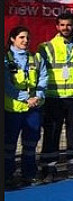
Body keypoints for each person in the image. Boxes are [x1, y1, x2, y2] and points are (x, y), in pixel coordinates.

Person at [38, 12, 73, 181]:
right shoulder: (46, 47)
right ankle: (48, 170)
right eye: (62, 25)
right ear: (57, 26)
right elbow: (41, 72)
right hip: (54, 96)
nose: (65, 28)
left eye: (68, 25)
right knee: (52, 133)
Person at [4, 26, 47, 189]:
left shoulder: (36, 57)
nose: (25, 41)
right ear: (12, 39)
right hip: (12, 110)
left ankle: (29, 174)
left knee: (31, 144)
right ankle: (7, 176)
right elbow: (7, 85)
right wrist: (26, 98)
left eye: (27, 38)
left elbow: (43, 78)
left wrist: (38, 96)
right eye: (21, 37)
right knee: (9, 145)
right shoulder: (6, 58)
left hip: (33, 108)